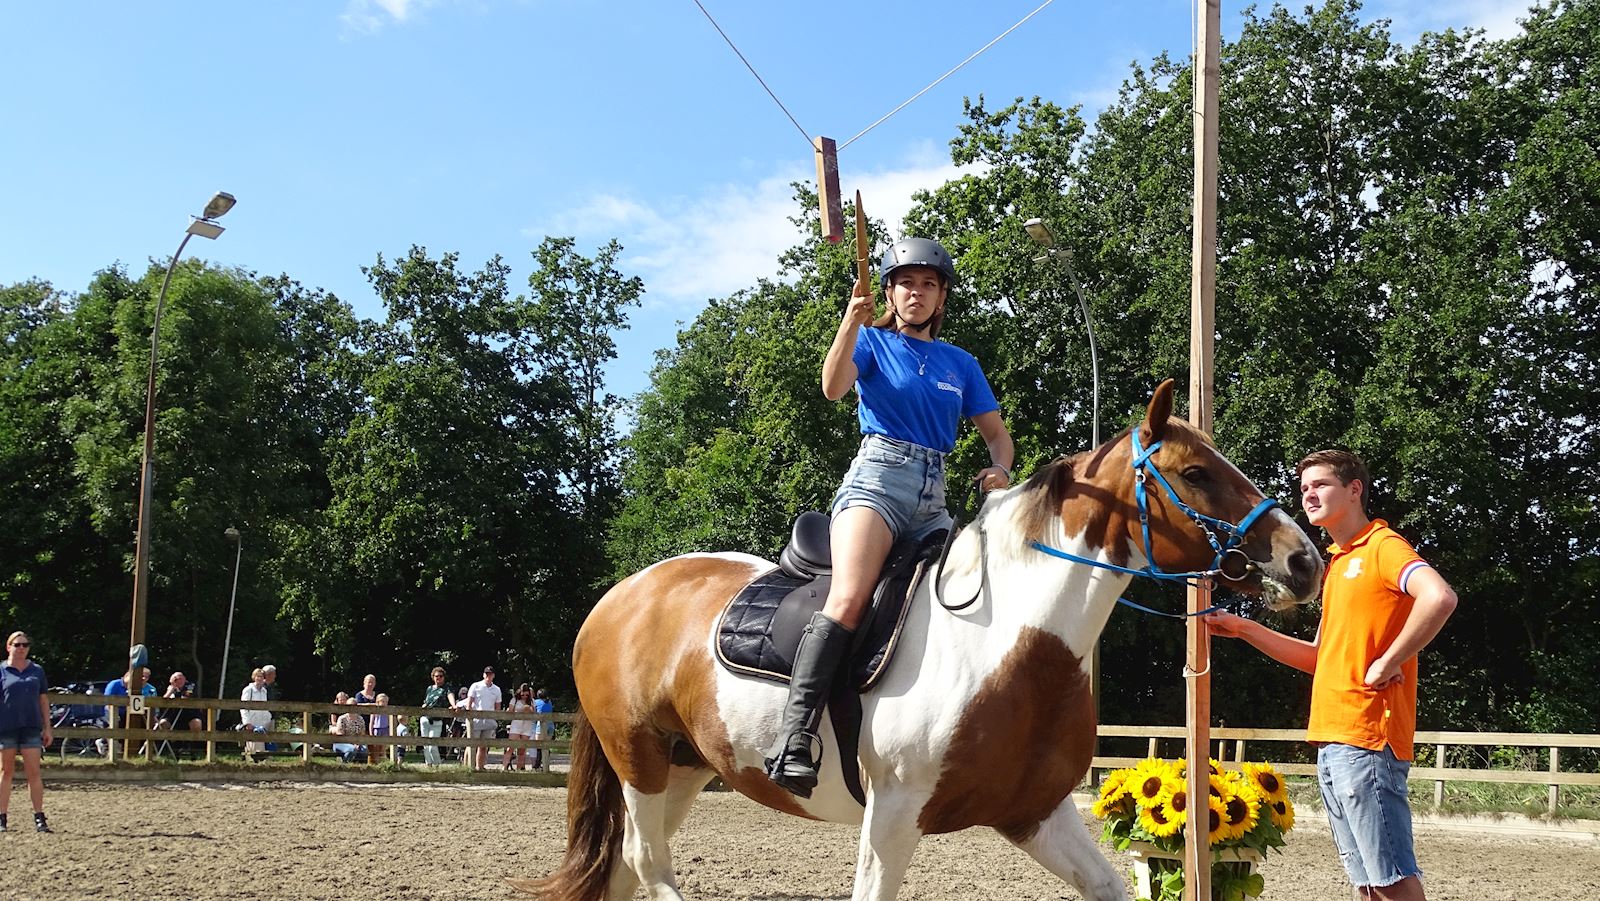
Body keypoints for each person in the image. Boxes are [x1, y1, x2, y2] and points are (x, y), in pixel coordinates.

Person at [764, 236, 1014, 798]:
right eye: (905, 283)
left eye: (928, 284)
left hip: (934, 494)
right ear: (889, 293)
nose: (916, 292)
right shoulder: (873, 342)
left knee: (961, 601)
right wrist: (850, 324)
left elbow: (998, 437)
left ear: (942, 296)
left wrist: (999, 469)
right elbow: (832, 388)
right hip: (878, 479)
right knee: (850, 598)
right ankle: (794, 737)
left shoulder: (962, 364)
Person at [1204, 449, 1458, 901]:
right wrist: (1243, 629)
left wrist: (1390, 659)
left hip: (1366, 739)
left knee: (1392, 881)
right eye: (1304, 488)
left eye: (1320, 484)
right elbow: (1319, 657)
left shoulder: (1382, 547)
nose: (1309, 494)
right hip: (1332, 739)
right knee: (1368, 885)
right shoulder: (1337, 564)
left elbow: (1439, 597)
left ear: (1354, 489)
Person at [0, 632, 52, 832]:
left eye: (25, 645)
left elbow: (43, 699)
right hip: (7, 727)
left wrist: (47, 726)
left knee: (34, 772)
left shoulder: (37, 671)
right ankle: (2, 816)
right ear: (9, 647)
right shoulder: (2, 670)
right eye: (17, 644)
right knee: (6, 772)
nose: (21, 648)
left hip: (31, 726)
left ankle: (39, 816)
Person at [463, 666, 502, 772]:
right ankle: (467, 767)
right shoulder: (476, 686)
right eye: (486, 674)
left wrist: (495, 717)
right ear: (484, 675)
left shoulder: (497, 689)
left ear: (493, 675)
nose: (488, 676)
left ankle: (480, 767)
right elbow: (469, 703)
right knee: (471, 744)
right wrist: (470, 716)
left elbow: (497, 707)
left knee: (484, 745)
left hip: (489, 719)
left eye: (490, 674)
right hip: (475, 719)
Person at [155, 671, 202, 757]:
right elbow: (164, 700)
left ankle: (192, 749)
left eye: (180, 678)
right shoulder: (170, 688)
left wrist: (177, 692)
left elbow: (186, 698)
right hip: (173, 715)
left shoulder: (190, 686)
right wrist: (170, 690)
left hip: (189, 715)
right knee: (162, 724)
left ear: (184, 679)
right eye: (175, 679)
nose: (178, 681)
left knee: (196, 724)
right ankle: (172, 748)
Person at [419, 667, 454, 768]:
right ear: (433, 677)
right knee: (425, 744)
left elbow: (450, 696)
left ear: (444, 677)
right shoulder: (429, 688)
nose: (438, 678)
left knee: (433, 746)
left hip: (437, 720)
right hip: (425, 718)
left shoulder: (447, 688)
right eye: (436, 676)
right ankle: (428, 766)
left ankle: (438, 766)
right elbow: (426, 701)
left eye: (440, 676)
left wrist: (453, 705)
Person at [239, 667, 271, 760]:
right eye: (258, 676)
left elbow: (265, 706)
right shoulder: (248, 690)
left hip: (262, 722)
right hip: (252, 721)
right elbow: (243, 707)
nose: (260, 678)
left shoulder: (264, 691)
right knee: (252, 745)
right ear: (254, 677)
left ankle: (260, 762)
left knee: (261, 746)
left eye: (261, 676)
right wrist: (247, 722)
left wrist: (267, 719)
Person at [504, 684, 533, 771]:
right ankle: (504, 767)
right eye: (523, 694)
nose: (524, 696)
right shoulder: (515, 700)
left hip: (527, 726)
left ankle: (519, 769)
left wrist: (529, 710)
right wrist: (521, 710)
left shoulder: (531, 701)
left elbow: (535, 712)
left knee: (522, 750)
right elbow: (510, 711)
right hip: (516, 725)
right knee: (510, 748)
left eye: (527, 695)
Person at [331, 697, 368, 763]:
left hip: (356, 742)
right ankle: (345, 766)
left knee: (364, 751)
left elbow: (362, 734)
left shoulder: (360, 719)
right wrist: (352, 744)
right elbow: (340, 735)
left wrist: (357, 743)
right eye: (349, 705)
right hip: (341, 743)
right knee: (352, 749)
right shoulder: (342, 718)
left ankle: (360, 769)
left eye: (354, 705)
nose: (352, 707)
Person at [530, 688, 554, 770]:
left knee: (539, 746)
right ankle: (545, 764)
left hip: (541, 724)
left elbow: (535, 713)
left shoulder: (536, 702)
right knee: (546, 746)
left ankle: (537, 765)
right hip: (550, 725)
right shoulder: (549, 702)